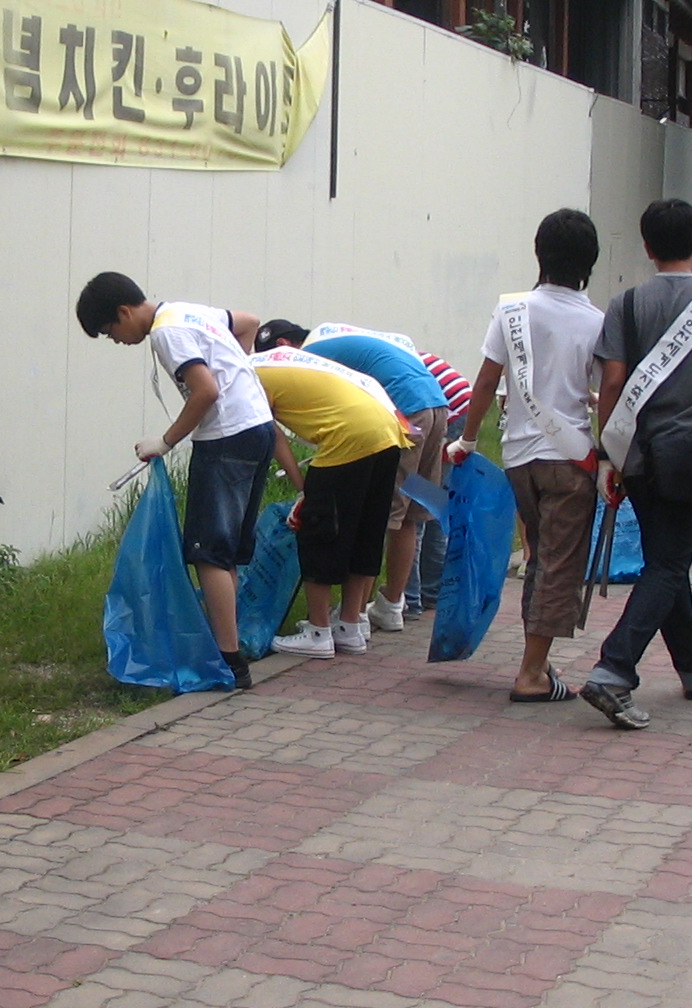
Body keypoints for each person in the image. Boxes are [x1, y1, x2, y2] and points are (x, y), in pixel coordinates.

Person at [580, 200, 692, 731]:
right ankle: (614, 668)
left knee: (666, 556)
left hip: (636, 452)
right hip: (690, 453)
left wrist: (607, 455)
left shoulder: (626, 304)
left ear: (647, 247)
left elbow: (611, 384)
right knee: (669, 563)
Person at [75, 273, 274, 690]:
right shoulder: (189, 311)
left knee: (208, 553)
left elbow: (205, 391)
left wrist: (165, 442)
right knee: (228, 551)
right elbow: (249, 321)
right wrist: (239, 369)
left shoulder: (166, 334)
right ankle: (230, 645)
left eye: (111, 331)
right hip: (258, 427)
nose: (116, 340)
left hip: (226, 440)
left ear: (124, 312)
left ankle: (229, 663)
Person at [445, 208, 605, 702]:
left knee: (538, 557)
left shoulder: (512, 310)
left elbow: (487, 379)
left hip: (520, 459)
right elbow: (605, 392)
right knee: (560, 565)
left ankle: (541, 662)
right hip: (569, 457)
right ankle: (531, 673)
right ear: (589, 260)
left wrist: (467, 441)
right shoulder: (597, 321)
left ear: (540, 254)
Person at [252, 320, 449, 632]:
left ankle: (354, 615)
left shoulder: (309, 356)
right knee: (412, 511)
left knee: (383, 512)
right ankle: (393, 604)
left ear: (283, 348)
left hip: (402, 413)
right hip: (437, 406)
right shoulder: (333, 337)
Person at [248, 345, 411, 657]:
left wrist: (304, 488)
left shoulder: (246, 375)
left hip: (348, 433)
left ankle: (319, 630)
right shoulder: (277, 362)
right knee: (366, 528)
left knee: (319, 529)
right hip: (388, 427)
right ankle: (350, 626)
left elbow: (272, 436)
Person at [406, 351, 470, 616]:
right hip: (461, 407)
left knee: (414, 508)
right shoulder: (390, 353)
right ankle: (431, 591)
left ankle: (409, 599)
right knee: (433, 506)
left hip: (447, 413)